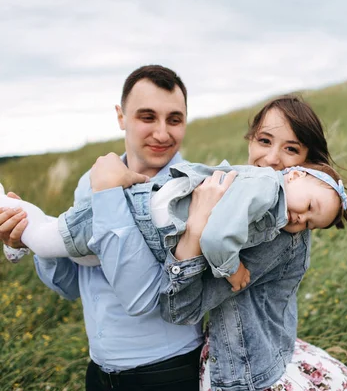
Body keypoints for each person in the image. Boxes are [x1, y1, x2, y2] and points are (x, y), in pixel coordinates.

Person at [1, 65, 207, 390]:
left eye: (175, 119)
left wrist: (108, 194)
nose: (163, 133)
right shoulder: (90, 182)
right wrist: (30, 235)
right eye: (147, 116)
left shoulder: (191, 191)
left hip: (168, 372)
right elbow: (70, 286)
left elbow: (146, 298)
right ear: (121, 116)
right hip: (98, 372)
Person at [159, 95, 347, 390]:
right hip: (265, 347)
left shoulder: (278, 233)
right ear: (250, 140)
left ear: (305, 165)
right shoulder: (252, 199)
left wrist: (194, 230)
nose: (271, 159)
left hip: (245, 369)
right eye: (265, 141)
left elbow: (182, 310)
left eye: (291, 149)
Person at [0, 159, 347, 291]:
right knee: (50, 242)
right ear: (292, 176)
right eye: (309, 206)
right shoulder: (265, 188)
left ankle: (17, 222)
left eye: (310, 224)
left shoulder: (271, 208)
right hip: (142, 217)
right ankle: (7, 207)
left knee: (81, 255)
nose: (301, 219)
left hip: (149, 229)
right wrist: (233, 271)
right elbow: (216, 235)